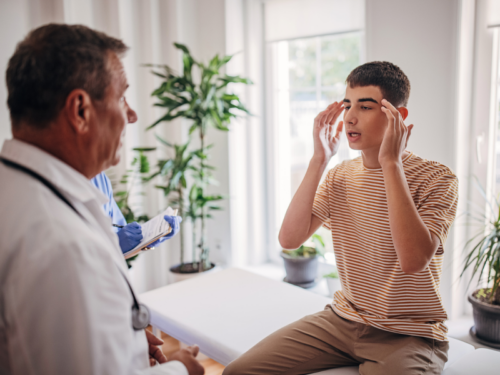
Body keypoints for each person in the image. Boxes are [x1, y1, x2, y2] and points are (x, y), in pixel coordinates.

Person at [223, 62, 458, 375]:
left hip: (407, 335)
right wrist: (319, 159)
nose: (349, 116)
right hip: (342, 321)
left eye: (365, 106)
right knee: (237, 372)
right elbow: (290, 239)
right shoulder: (340, 177)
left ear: (397, 117)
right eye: (347, 104)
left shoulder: (437, 179)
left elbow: (413, 260)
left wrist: (390, 162)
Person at [0, 24, 204, 375]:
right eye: (122, 97)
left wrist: (124, 337)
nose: (132, 115)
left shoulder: (18, 190)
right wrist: (180, 369)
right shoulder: (61, 244)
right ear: (80, 110)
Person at [90, 171, 181, 254]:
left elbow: (120, 232)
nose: (115, 162)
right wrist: (114, 245)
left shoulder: (101, 178)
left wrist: (149, 240)